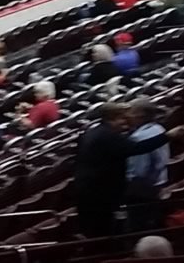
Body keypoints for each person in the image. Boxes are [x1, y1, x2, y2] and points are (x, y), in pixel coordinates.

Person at [71, 102, 173, 236]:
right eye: (123, 119)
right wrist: (168, 136)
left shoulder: (98, 132)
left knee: (100, 227)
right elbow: (137, 148)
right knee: (99, 229)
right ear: (112, 118)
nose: (126, 122)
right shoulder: (107, 136)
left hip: (94, 189)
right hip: (97, 193)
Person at [123, 98, 170, 231]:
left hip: (142, 188)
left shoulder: (138, 138)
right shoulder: (159, 128)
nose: (126, 116)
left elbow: (139, 171)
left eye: (130, 112)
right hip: (158, 181)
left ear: (140, 116)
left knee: (137, 223)